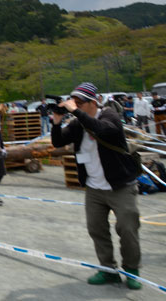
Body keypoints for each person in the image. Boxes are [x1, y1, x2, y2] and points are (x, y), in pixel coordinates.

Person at [50, 82, 142, 290]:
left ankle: (132, 271)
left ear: (93, 102)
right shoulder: (77, 124)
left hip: (120, 186)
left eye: (80, 102)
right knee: (97, 230)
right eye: (74, 102)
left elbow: (103, 130)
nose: (76, 106)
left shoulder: (109, 115)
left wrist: (75, 112)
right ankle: (108, 270)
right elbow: (58, 143)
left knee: (127, 229)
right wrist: (56, 122)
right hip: (94, 188)